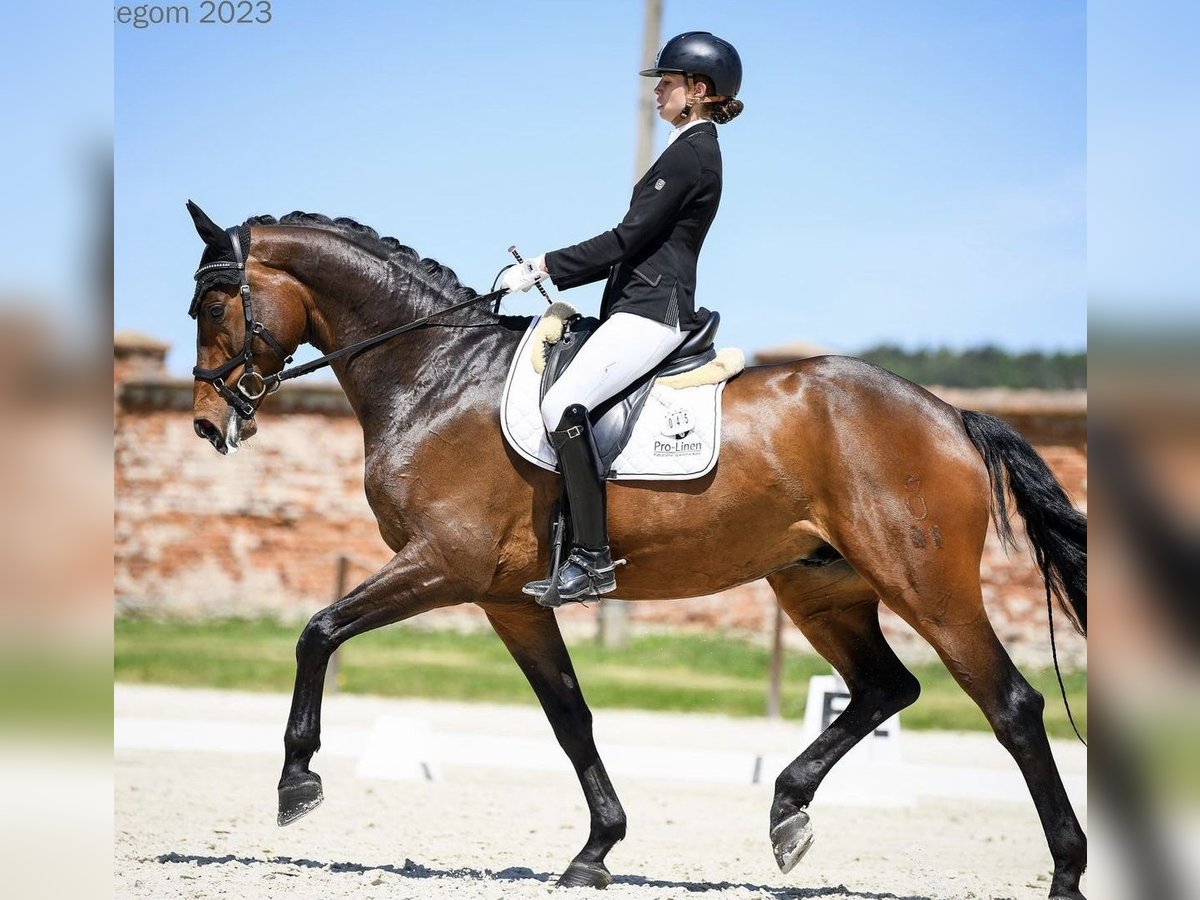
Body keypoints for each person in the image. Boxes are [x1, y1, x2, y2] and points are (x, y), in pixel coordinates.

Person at [502, 31, 744, 607]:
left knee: (562, 406)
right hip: (638, 303)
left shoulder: (692, 152)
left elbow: (627, 238)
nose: (656, 90)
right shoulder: (685, 147)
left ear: (699, 90)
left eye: (668, 82)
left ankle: (590, 560)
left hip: (653, 310)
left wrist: (542, 266)